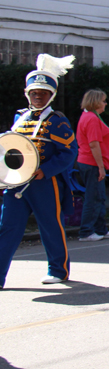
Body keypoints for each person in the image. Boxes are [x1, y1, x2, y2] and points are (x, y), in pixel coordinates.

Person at [0, 54, 76, 289]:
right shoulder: (19, 117)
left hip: (44, 182)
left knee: (50, 225)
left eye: (43, 93)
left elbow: (69, 152)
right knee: (7, 227)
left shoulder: (57, 121)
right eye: (34, 92)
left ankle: (58, 270)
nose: (38, 96)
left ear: (51, 95)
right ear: (27, 93)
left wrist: (46, 170)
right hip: (16, 182)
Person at [76, 89, 109, 242]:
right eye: (103, 100)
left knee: (100, 197)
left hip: (92, 162)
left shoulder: (91, 116)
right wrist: (100, 166)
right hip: (91, 163)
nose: (105, 103)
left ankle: (100, 228)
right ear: (96, 102)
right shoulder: (91, 118)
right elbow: (94, 144)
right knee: (93, 198)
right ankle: (86, 231)